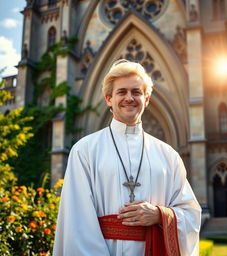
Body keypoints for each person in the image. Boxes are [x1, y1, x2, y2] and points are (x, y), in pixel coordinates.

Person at [53, 60, 201, 256]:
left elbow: (191, 214)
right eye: (122, 92)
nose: (129, 98)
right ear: (109, 99)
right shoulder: (84, 151)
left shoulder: (169, 156)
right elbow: (77, 222)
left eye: (136, 92)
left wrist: (159, 215)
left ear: (146, 99)